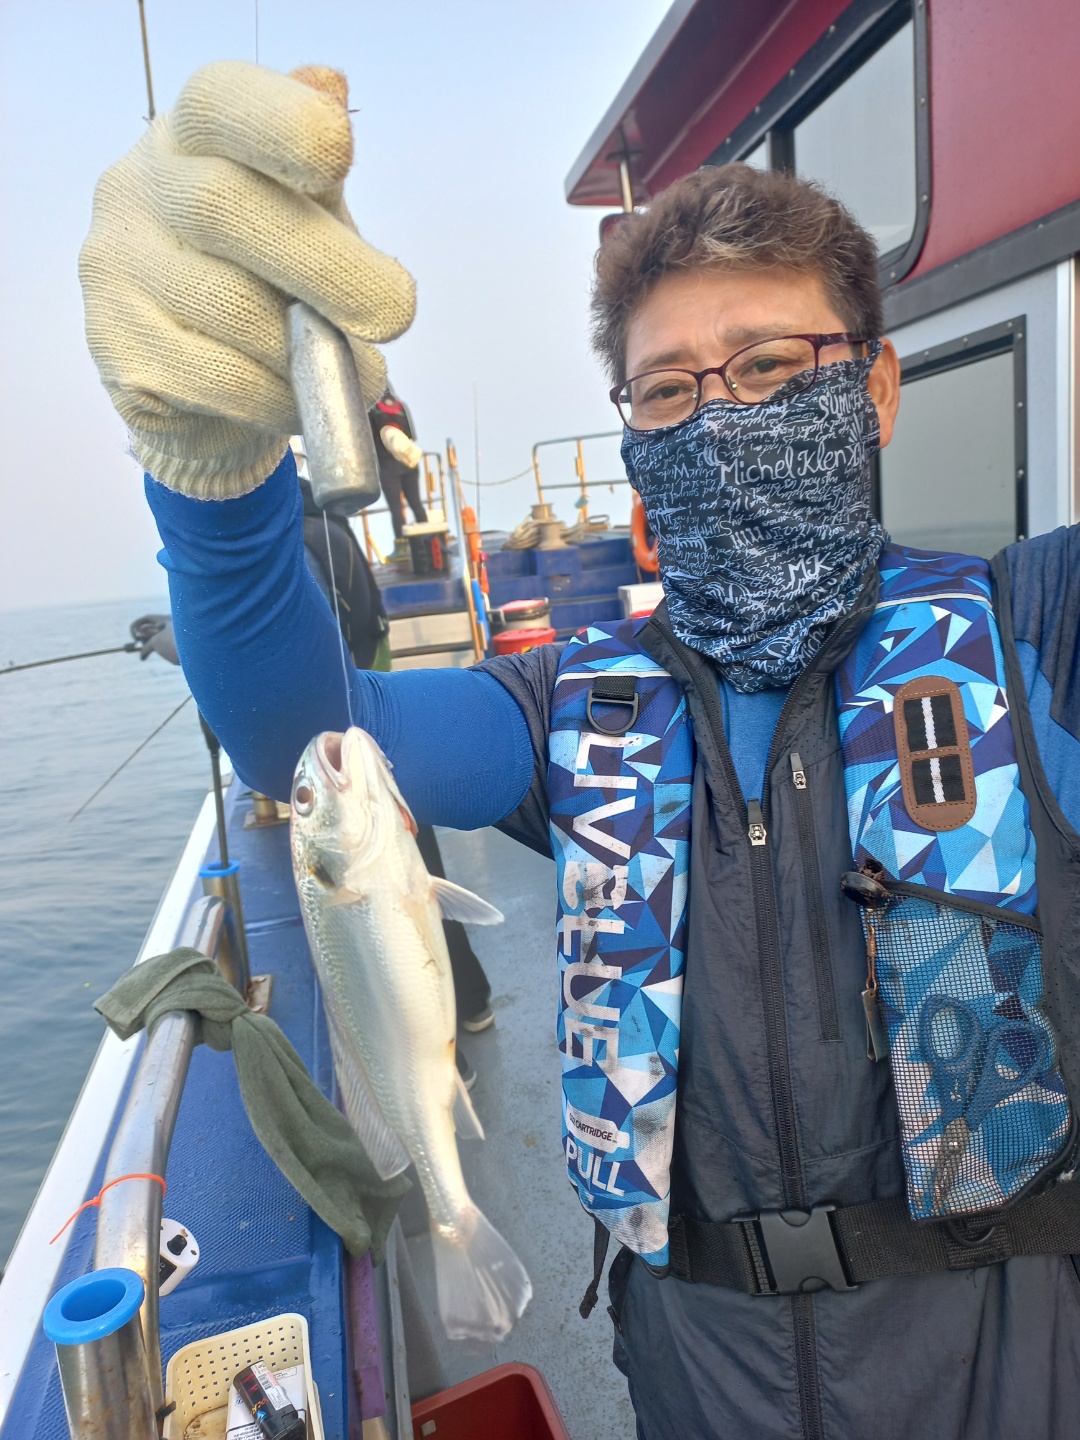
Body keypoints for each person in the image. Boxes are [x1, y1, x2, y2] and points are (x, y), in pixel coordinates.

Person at [79, 61, 1080, 1440]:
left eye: (771, 367)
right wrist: (211, 475)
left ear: (880, 387)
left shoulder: (1034, 630)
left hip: (1006, 1362)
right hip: (696, 1371)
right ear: (630, 438)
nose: (718, 415)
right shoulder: (572, 705)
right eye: (665, 392)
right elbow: (306, 735)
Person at [370, 389, 428, 558]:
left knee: (396, 508)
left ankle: (402, 548)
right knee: (416, 504)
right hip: (409, 463)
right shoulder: (401, 406)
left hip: (387, 466)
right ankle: (429, 541)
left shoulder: (371, 410)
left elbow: (369, 439)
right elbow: (410, 435)